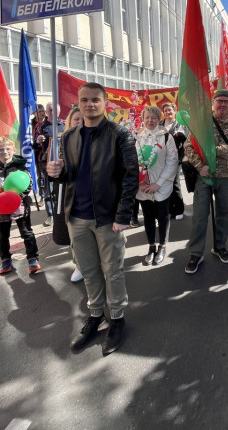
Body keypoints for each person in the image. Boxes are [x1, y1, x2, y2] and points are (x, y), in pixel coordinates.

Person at [47, 82, 139, 356]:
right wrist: (57, 172)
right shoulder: (69, 136)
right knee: (88, 271)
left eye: (95, 100)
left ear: (105, 102)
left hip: (108, 218)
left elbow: (130, 175)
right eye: (84, 100)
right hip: (76, 217)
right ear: (78, 102)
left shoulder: (119, 134)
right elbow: (70, 175)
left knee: (113, 271)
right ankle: (96, 314)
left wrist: (123, 215)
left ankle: (118, 318)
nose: (89, 104)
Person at [184, 89, 228, 274]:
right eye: (219, 101)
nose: (222, 104)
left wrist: (215, 149)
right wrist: (200, 166)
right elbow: (189, 146)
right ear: (213, 102)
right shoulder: (202, 123)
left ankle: (220, 246)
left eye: (226, 102)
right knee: (199, 217)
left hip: (227, 178)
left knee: (223, 215)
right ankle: (196, 253)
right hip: (205, 177)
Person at [136, 106, 178, 266]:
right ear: (143, 119)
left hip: (161, 186)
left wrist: (158, 183)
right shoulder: (136, 137)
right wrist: (139, 182)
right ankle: (151, 246)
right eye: (147, 117)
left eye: (154, 117)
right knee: (147, 217)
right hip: (143, 187)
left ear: (159, 119)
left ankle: (162, 246)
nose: (150, 120)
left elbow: (172, 161)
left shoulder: (166, 137)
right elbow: (131, 161)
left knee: (162, 216)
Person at [51, 106, 85, 283]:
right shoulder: (59, 142)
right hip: (69, 194)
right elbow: (49, 167)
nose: (80, 122)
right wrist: (53, 169)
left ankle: (99, 266)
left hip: (92, 195)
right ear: (70, 122)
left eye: (83, 119)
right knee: (74, 234)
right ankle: (80, 266)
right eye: (76, 119)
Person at [0, 137, 41, 275]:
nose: (4, 152)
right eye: (1, 149)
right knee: (2, 236)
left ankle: (33, 258)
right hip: (1, 208)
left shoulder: (20, 166)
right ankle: (5, 259)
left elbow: (28, 183)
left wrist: (19, 196)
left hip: (20, 205)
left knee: (26, 232)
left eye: (7, 149)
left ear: (13, 150)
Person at [33, 102, 65, 226]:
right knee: (48, 191)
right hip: (46, 163)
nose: (52, 112)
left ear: (59, 112)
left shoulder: (65, 124)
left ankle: (62, 213)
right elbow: (33, 146)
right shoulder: (39, 127)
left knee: (63, 190)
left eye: (54, 110)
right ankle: (50, 215)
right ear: (46, 112)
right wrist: (37, 141)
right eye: (50, 110)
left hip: (63, 163)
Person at [160, 102, 188, 220]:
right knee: (164, 184)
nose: (167, 112)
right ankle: (170, 210)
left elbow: (186, 140)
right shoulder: (160, 124)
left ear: (175, 111)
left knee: (174, 184)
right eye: (165, 110)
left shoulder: (179, 124)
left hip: (175, 158)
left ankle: (179, 210)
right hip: (161, 159)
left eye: (169, 110)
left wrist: (181, 135)